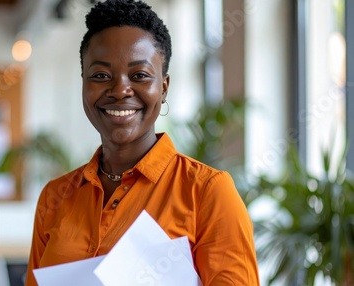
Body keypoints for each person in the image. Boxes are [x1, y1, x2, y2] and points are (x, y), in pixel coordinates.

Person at [25, 0, 260, 285]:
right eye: (100, 75)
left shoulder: (206, 193)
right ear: (84, 84)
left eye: (139, 75)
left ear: (163, 87)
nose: (120, 90)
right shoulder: (55, 197)